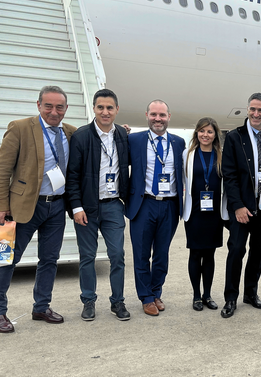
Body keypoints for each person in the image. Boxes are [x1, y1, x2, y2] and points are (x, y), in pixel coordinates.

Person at [0, 85, 75, 333]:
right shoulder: (20, 128)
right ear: (39, 105)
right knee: (6, 259)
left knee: (49, 259)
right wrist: (1, 206)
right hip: (24, 206)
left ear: (66, 109)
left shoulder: (70, 132)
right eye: (48, 106)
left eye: (59, 107)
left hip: (57, 206)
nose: (54, 111)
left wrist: (122, 133)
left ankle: (41, 307)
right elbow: (2, 169)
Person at [65, 89, 130, 321]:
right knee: (87, 256)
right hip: (87, 208)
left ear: (117, 110)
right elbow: (72, 175)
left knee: (117, 255)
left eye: (109, 108)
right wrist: (76, 207)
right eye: (100, 107)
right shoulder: (82, 136)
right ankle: (89, 300)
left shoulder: (122, 135)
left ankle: (118, 301)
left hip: (113, 205)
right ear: (94, 108)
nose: (105, 112)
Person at [220, 93, 261, 318]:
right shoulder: (235, 137)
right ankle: (230, 298)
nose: (256, 114)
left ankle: (250, 293)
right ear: (247, 110)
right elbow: (230, 174)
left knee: (258, 251)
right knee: (236, 249)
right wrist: (236, 206)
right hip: (242, 207)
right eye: (253, 109)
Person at [125, 100, 185, 316]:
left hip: (169, 205)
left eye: (162, 115)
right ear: (146, 115)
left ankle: (156, 291)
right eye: (153, 114)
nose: (157, 119)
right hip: (144, 204)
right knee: (141, 254)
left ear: (169, 116)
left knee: (161, 254)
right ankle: (146, 297)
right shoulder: (133, 140)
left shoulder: (179, 143)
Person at [182, 117, 228, 311]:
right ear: (196, 133)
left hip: (214, 212)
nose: (205, 135)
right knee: (195, 253)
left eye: (209, 132)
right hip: (194, 212)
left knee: (210, 254)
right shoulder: (188, 154)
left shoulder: (221, 155)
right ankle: (196, 296)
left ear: (215, 134)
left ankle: (207, 294)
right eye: (202, 131)